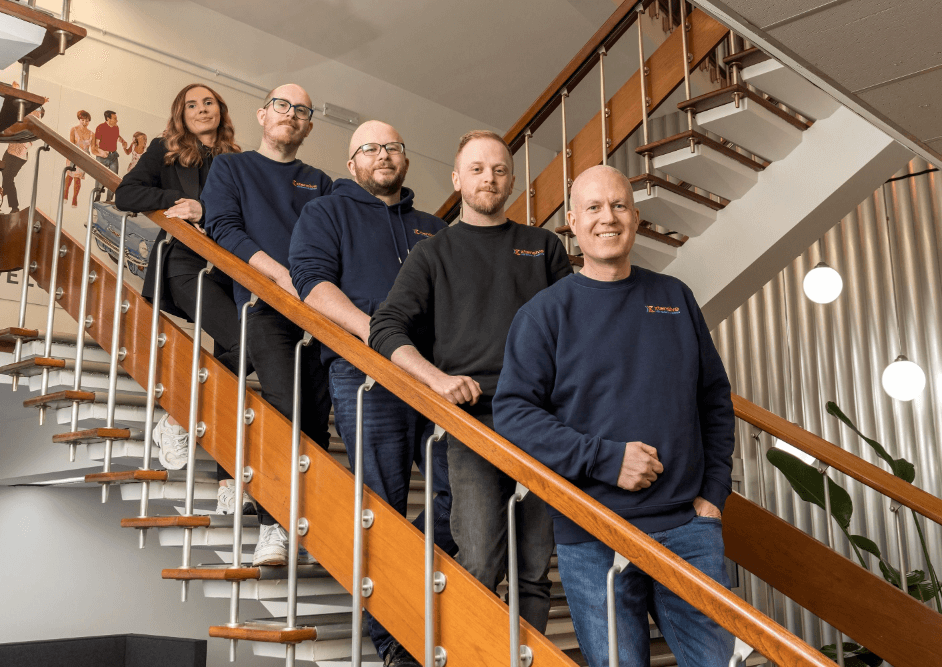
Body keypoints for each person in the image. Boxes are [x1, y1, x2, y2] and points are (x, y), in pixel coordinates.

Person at [492, 165, 736, 667]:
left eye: (619, 205)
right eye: (595, 208)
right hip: (593, 534)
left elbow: (714, 398)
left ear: (637, 217)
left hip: (689, 531)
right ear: (574, 224)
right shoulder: (544, 313)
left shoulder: (675, 297)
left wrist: (713, 493)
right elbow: (513, 413)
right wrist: (604, 459)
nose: (609, 217)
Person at [369, 130, 571, 639]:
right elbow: (385, 327)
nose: (489, 178)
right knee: (479, 558)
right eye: (477, 169)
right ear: (458, 179)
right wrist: (437, 381)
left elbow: (580, 332)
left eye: (499, 170)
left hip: (542, 426)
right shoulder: (433, 255)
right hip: (472, 424)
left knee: (532, 571)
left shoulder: (543, 248)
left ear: (512, 180)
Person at [289, 120, 454, 667]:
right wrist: (376, 338)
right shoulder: (325, 212)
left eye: (393, 147)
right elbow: (312, 284)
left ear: (405, 159)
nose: (383, 155)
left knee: (461, 498)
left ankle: (429, 588)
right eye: (371, 148)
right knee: (380, 511)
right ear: (351, 159)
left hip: (437, 381)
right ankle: (393, 642)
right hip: (367, 377)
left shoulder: (434, 227)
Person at [204, 83, 332, 567]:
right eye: (282, 105)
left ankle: (309, 523)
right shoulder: (232, 167)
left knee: (315, 425)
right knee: (284, 410)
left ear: (309, 125)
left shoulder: (318, 181)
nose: (291, 114)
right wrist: (282, 278)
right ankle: (273, 526)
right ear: (262, 115)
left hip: (316, 314)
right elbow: (223, 228)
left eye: (302, 109)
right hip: (263, 303)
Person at [116, 83, 253, 520]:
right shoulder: (165, 150)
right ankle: (186, 422)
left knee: (239, 360)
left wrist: (207, 212)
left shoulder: (242, 161)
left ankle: (225, 476)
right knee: (244, 340)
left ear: (221, 110)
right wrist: (182, 202)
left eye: (207, 102)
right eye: (191, 105)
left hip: (230, 271)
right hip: (184, 264)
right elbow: (127, 193)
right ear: (180, 114)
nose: (200, 109)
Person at [93, 110, 130, 202]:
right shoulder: (100, 128)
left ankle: (108, 199)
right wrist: (101, 152)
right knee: (100, 177)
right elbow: (96, 145)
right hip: (102, 156)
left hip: (113, 155)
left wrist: (123, 141)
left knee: (114, 179)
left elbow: (117, 137)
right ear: (108, 119)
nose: (117, 121)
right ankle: (97, 195)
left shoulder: (116, 128)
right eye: (115, 119)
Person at [65, 110, 94, 208]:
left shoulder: (91, 134)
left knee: (78, 178)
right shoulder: (74, 129)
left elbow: (93, 148)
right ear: (79, 119)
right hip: (73, 154)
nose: (85, 123)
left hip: (84, 157)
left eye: (87, 121)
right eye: (83, 120)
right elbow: (71, 143)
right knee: (69, 176)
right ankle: (65, 193)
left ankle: (74, 198)